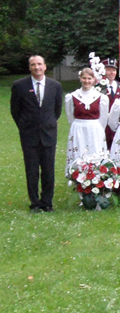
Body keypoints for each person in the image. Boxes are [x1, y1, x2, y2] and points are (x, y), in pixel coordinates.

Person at [10, 55, 64, 212]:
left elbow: (57, 110)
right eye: (33, 65)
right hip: (29, 135)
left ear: (45, 66)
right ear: (29, 67)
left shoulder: (55, 86)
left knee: (48, 170)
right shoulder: (19, 85)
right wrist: (24, 125)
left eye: (39, 64)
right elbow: (15, 110)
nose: (37, 67)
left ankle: (47, 202)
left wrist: (49, 123)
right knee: (32, 170)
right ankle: (35, 203)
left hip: (48, 134)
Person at [65, 67, 110, 175]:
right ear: (80, 79)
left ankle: (96, 174)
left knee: (94, 150)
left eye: (89, 78)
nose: (86, 81)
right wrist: (77, 125)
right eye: (84, 78)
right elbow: (70, 116)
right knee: (79, 150)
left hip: (95, 128)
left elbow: (103, 118)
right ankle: (77, 174)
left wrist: (97, 129)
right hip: (78, 127)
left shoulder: (101, 97)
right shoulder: (72, 96)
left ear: (94, 80)